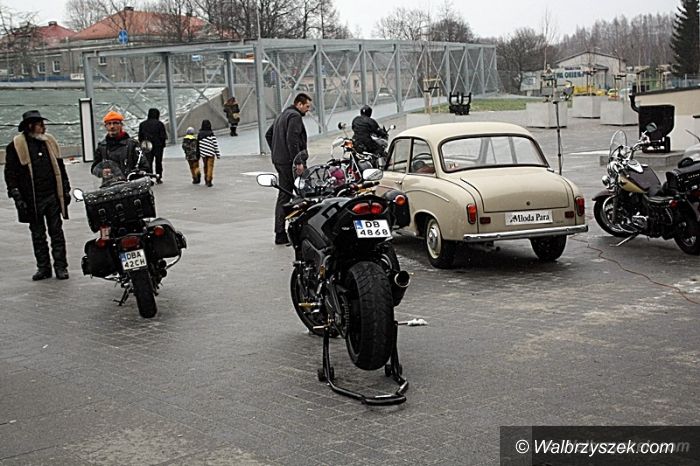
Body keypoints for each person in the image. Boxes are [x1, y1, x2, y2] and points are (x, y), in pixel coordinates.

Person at [4, 110, 71, 280]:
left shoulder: (49, 142)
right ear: (30, 126)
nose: (44, 127)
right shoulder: (16, 146)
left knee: (57, 233)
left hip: (52, 196)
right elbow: (10, 173)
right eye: (40, 125)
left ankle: (61, 267)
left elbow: (60, 168)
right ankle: (43, 268)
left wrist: (65, 189)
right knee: (38, 235)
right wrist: (16, 195)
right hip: (32, 199)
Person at [265, 92, 312, 245]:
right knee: (303, 193)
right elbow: (292, 139)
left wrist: (277, 151)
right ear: (299, 104)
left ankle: (280, 233)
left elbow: (268, 135)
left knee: (284, 195)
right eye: (307, 106)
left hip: (280, 161)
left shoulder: (282, 115)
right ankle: (302, 231)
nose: (308, 110)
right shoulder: (294, 116)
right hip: (290, 163)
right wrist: (298, 162)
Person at [92, 111, 151, 176]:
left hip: (130, 181)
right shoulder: (102, 146)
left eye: (115, 123)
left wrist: (137, 173)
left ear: (121, 125)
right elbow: (94, 167)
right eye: (109, 124)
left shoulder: (132, 145)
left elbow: (144, 166)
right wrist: (101, 172)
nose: (112, 126)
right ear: (105, 126)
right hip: (110, 181)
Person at [138, 108, 168, 183]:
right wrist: (163, 145)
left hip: (147, 146)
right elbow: (163, 136)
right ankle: (158, 177)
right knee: (158, 162)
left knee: (148, 162)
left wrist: (142, 145)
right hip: (158, 146)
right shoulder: (160, 124)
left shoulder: (142, 124)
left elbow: (140, 137)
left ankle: (149, 178)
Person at [196, 120, 220, 187]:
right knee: (210, 166)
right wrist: (217, 154)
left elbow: (198, 144)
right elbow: (215, 144)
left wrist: (198, 153)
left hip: (203, 153)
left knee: (205, 166)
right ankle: (209, 180)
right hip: (211, 153)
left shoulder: (200, 134)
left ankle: (206, 179)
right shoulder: (211, 133)